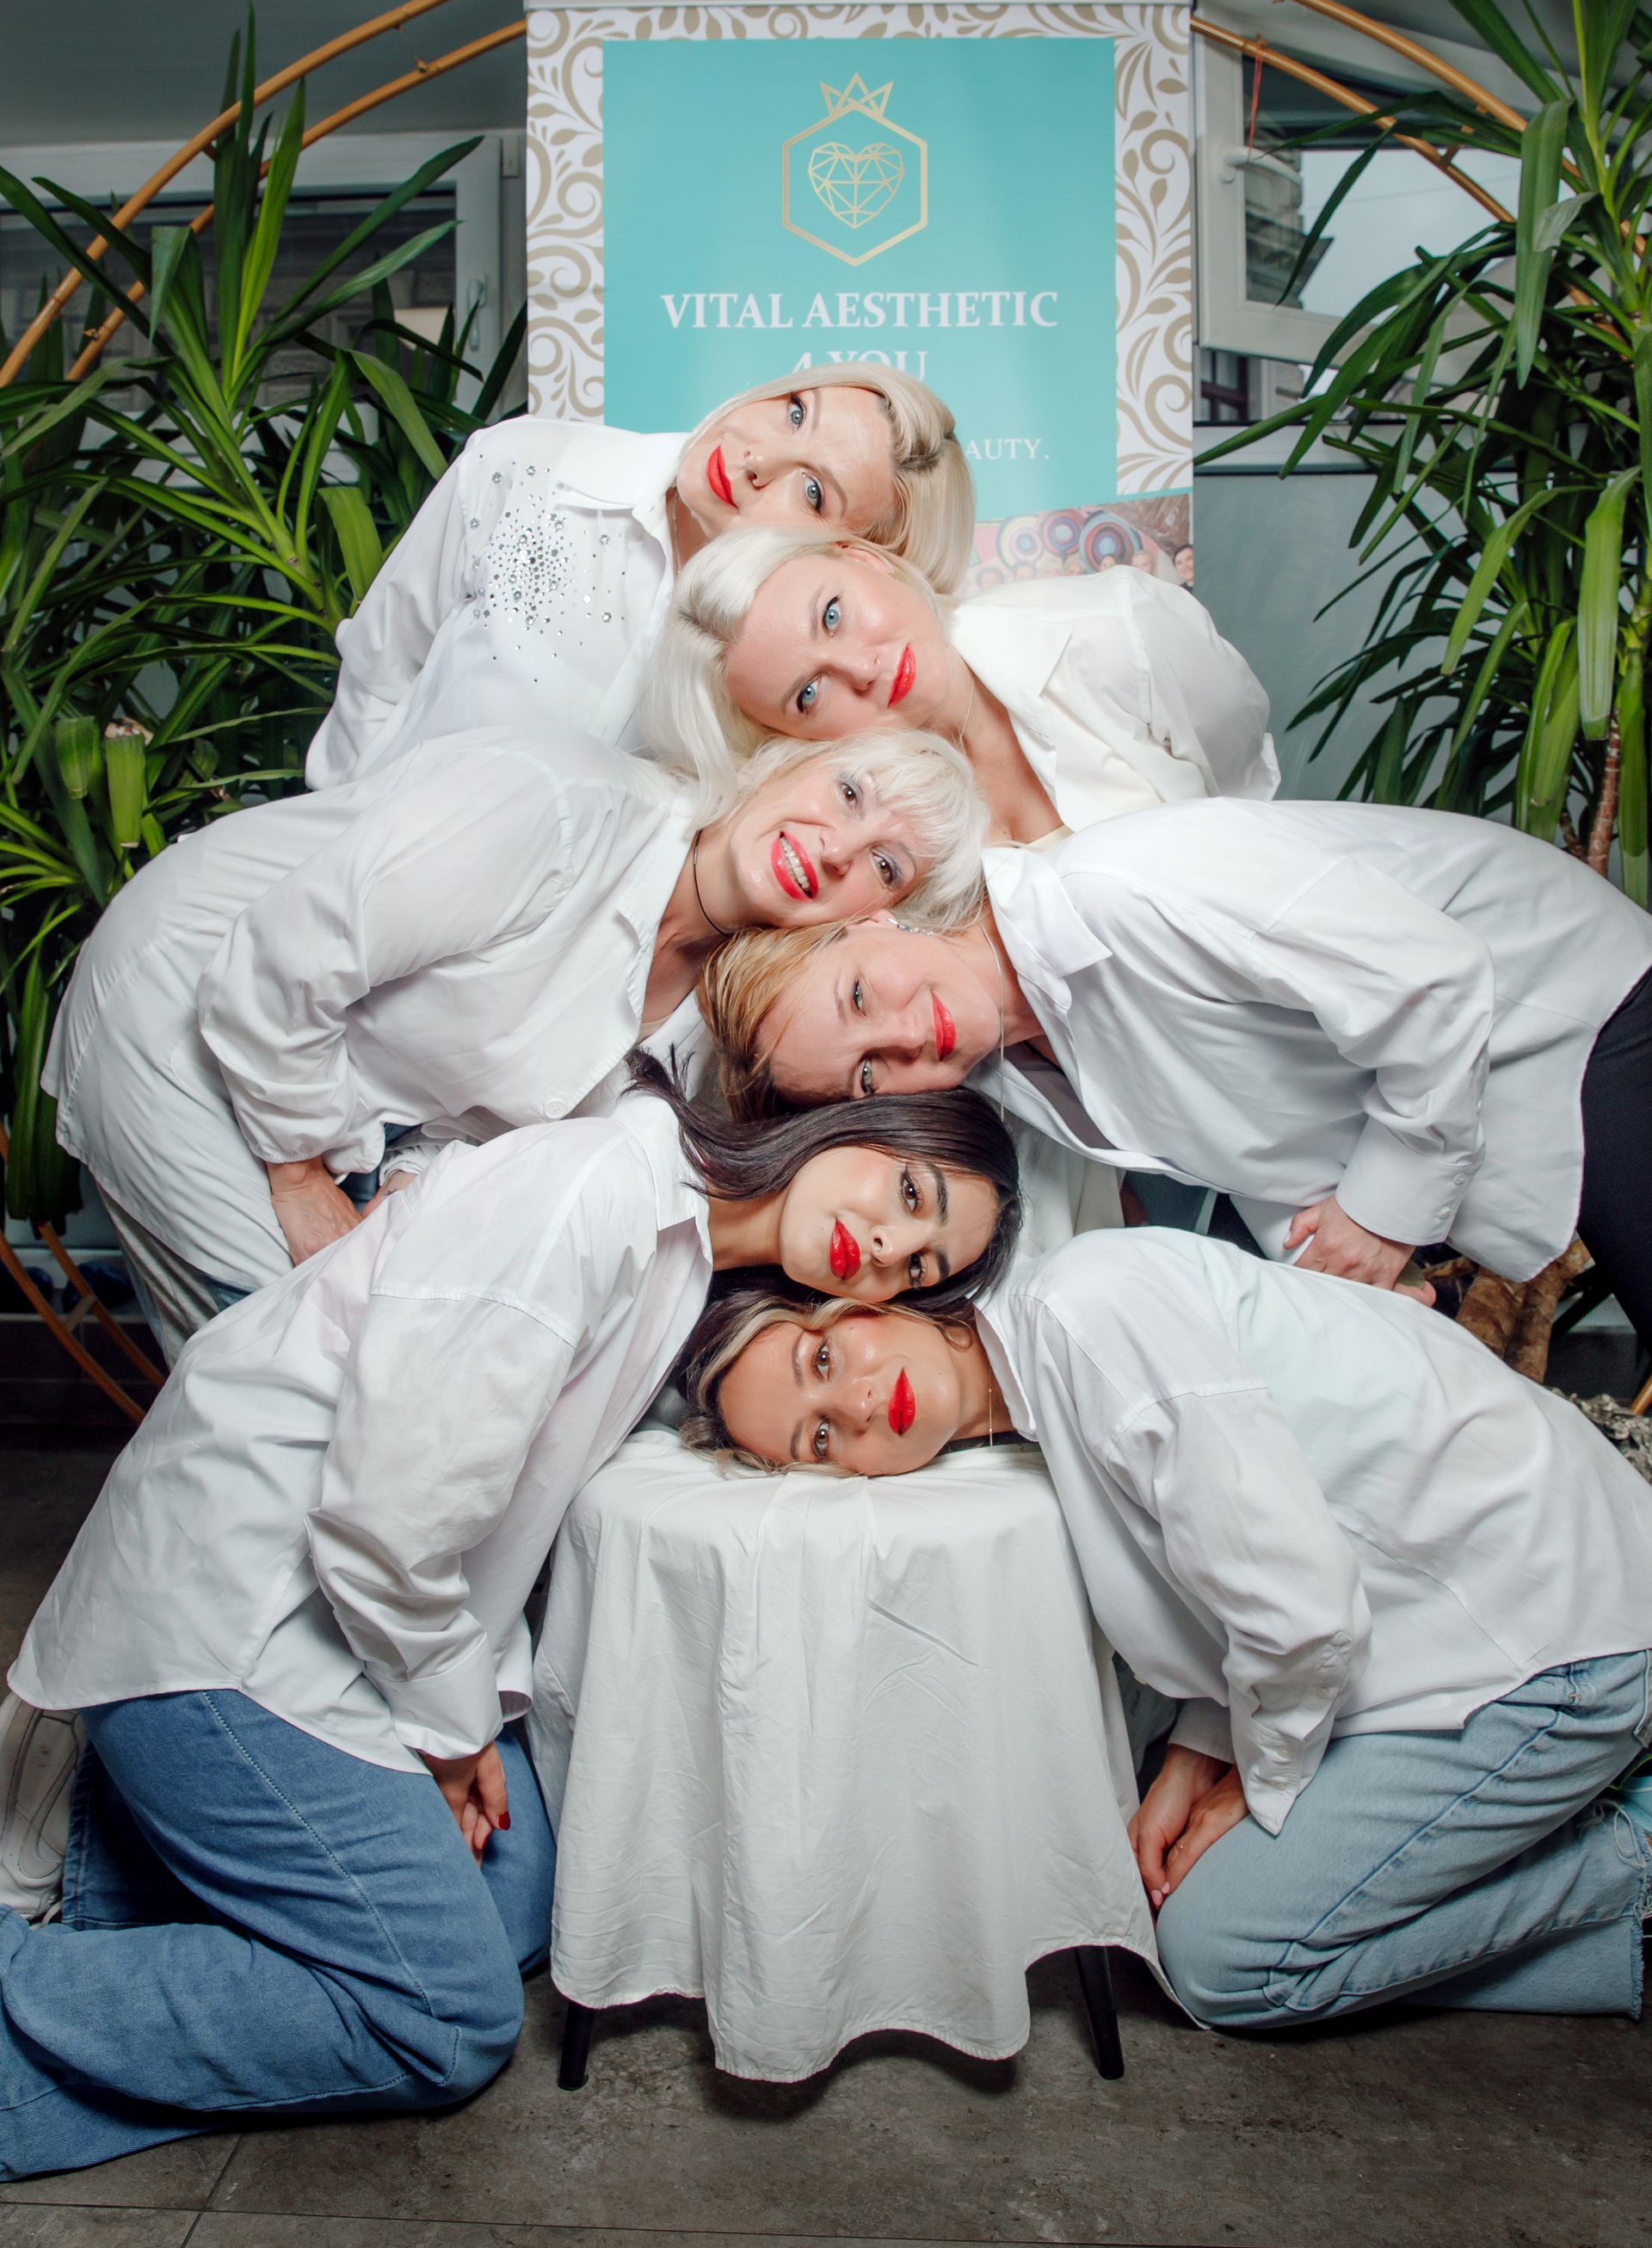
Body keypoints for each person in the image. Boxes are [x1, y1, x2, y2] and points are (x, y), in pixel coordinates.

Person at [0, 1068, 1021, 2177]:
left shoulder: (684, 1263)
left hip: (351, 1633)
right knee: (441, 2017)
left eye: (919, 1266)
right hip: (224, 1620)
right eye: (909, 1195)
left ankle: (121, 1886)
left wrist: (465, 1703)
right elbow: (383, 1519)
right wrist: (455, 1732)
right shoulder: (599, 1192)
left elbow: (478, 1515)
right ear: (855, 1125)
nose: (883, 1249)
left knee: (521, 1899)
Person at [682, 1228, 1652, 2028]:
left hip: (1556, 1631)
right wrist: (1197, 1754)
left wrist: (1266, 1782)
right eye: (819, 1438)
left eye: (823, 1360)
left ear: (860, 1308)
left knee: (1228, 1965)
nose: (854, 1403)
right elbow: (1225, 1574)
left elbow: (1301, 1613)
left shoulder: (1085, 1308)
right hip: (1451, 1628)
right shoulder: (1039, 1403)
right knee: (1190, 1923)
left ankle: (1633, 1867)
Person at [46, 724, 985, 1360]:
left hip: (340, 1119)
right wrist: (299, 1179)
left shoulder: (701, 1025)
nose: (835, 848)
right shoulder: (567, 804)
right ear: (787, 760)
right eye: (849, 791)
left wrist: (408, 1196)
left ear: (877, 919)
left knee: (379, 1376)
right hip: (183, 1008)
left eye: (884, 865)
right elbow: (288, 956)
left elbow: (481, 1116)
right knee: (286, 1368)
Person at [699, 798, 1652, 1340]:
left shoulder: (1117, 886)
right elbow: (1263, 1128)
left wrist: (1380, 1219)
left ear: (875, 920)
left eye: (861, 996)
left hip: (1572, 1012)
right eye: (869, 1077)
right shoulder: (1024, 1069)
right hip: (1508, 1093)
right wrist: (1342, 1267)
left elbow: (1433, 983)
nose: (905, 1040)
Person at [305, 371, 974, 791]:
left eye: (811, 490)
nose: (756, 458)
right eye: (796, 412)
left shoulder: (803, 691)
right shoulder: (528, 465)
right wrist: (334, 834)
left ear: (847, 554)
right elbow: (380, 665)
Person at [644, 525, 1278, 839]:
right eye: (809, 694)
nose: (862, 669)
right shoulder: (869, 843)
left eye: (833, 615)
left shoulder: (1118, 627)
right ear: (788, 737)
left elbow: (1248, 782)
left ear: (861, 557)